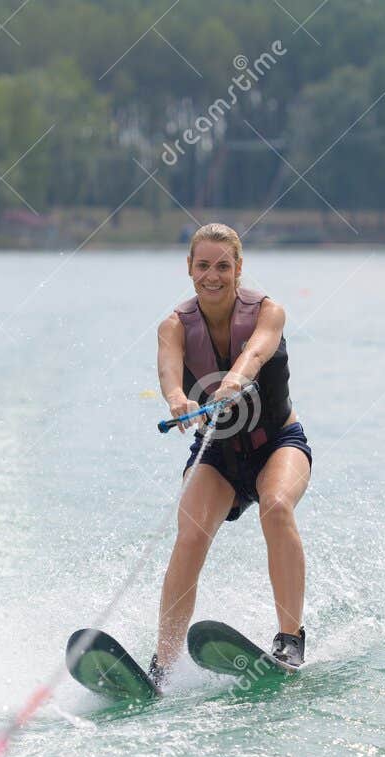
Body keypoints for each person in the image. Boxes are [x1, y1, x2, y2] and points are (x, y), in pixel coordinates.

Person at [152, 222, 312, 682]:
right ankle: (162, 663)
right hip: (217, 455)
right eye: (203, 265)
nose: (213, 275)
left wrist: (234, 379)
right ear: (189, 268)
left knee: (277, 507)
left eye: (223, 266)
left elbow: (257, 352)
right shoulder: (174, 326)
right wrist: (178, 401)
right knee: (191, 535)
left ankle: (289, 640)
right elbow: (169, 370)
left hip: (277, 444)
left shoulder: (269, 312)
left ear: (239, 269)